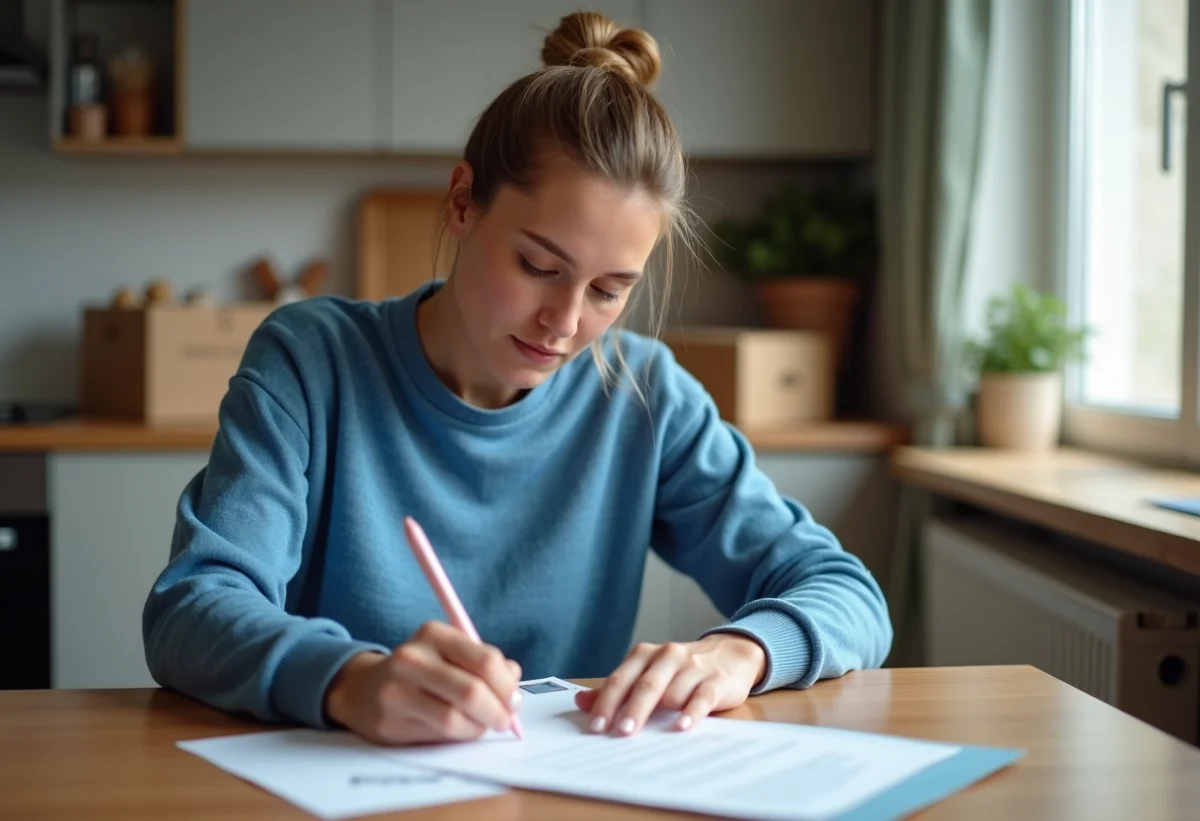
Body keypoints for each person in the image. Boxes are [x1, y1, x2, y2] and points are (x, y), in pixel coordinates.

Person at [142, 10, 892, 747]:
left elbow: (847, 593)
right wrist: (350, 679)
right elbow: (191, 610)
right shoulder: (312, 362)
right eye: (538, 266)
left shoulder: (646, 398)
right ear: (461, 202)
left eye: (609, 290)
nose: (564, 321)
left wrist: (741, 652)